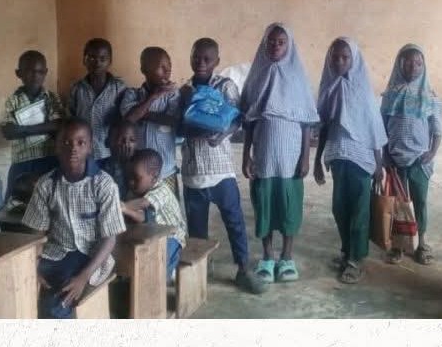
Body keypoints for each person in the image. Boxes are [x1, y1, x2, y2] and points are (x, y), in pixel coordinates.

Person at [178, 37, 266, 294]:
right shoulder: (184, 90)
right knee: (197, 230)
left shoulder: (225, 86)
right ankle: (199, 270)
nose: (201, 63)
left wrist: (222, 132)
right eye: (196, 57)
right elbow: (179, 125)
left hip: (221, 171)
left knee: (234, 221)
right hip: (193, 171)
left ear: (217, 61)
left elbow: (236, 117)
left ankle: (243, 269)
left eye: (207, 59)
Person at [21, 118, 126, 319]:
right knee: (18, 286)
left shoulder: (103, 185)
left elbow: (109, 239)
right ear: (56, 146)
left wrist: (83, 277)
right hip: (54, 254)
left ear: (90, 146)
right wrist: (32, 269)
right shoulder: (46, 184)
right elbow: (36, 235)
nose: (73, 149)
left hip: (90, 256)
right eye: (66, 143)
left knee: (56, 304)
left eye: (80, 142)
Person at [240, 23, 319, 284]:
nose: (275, 46)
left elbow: (307, 120)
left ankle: (287, 256)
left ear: (289, 45)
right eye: (271, 42)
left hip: (290, 156)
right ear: (264, 44)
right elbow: (249, 119)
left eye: (281, 42)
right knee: (264, 204)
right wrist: (246, 155)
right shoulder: (258, 74)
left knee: (289, 205)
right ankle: (267, 256)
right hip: (264, 153)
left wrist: (306, 156)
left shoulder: (297, 77)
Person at [314, 37, 387, 284]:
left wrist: (379, 163)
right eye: (334, 57)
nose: (339, 61)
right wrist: (317, 160)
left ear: (354, 60)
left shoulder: (363, 91)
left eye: (345, 57)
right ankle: (346, 250)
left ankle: (356, 259)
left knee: (359, 211)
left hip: (361, 158)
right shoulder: (328, 88)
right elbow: (323, 125)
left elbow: (374, 128)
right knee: (339, 208)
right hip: (337, 156)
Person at [381, 44, 442, 266]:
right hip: (395, 159)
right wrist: (385, 154)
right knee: (398, 203)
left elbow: (437, 129)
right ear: (399, 64)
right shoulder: (390, 95)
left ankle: (422, 242)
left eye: (418, 62)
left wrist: (432, 152)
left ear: (423, 66)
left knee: (419, 201)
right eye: (407, 62)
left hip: (419, 160)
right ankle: (399, 244)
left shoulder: (429, 96)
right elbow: (382, 126)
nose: (413, 67)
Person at [2, 50, 65, 201]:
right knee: (15, 199)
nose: (35, 75)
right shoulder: (13, 101)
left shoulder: (51, 98)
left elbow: (58, 125)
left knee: (50, 196)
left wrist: (24, 130)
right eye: (29, 71)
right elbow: (8, 131)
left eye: (40, 71)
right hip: (21, 160)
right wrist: (45, 126)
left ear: (45, 73)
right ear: (19, 73)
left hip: (48, 156)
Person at [120, 47, 182, 195]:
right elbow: (128, 118)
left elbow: (174, 121)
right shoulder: (132, 94)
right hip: (137, 173)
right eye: (161, 67)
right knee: (139, 214)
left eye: (169, 67)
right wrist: (154, 96)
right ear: (144, 69)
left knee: (167, 215)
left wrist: (142, 113)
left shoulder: (173, 94)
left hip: (166, 171)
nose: (167, 71)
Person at [121, 149, 188, 285]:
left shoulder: (162, 189)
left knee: (160, 265)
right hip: (151, 233)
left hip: (173, 236)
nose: (131, 182)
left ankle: (169, 271)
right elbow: (143, 216)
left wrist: (120, 206)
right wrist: (125, 209)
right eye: (129, 177)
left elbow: (144, 203)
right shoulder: (135, 191)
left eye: (136, 178)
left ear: (154, 177)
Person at [68, 38, 127, 165]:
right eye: (92, 58)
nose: (97, 62)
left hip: (110, 152)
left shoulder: (119, 87)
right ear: (84, 60)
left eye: (103, 58)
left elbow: (125, 117)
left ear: (110, 61)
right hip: (83, 152)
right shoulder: (77, 88)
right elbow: (70, 118)